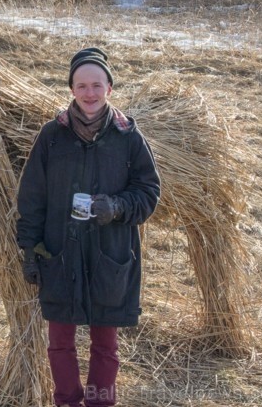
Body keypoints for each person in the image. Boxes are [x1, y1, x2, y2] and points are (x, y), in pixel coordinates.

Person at [16, 48, 160, 407]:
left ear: (109, 87)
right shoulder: (52, 135)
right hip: (60, 251)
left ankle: (100, 402)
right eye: (82, 85)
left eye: (97, 85)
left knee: (105, 344)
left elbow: (148, 192)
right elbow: (32, 197)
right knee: (60, 342)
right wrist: (31, 250)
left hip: (108, 252)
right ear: (72, 89)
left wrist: (116, 207)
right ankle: (66, 401)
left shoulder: (128, 137)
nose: (90, 93)